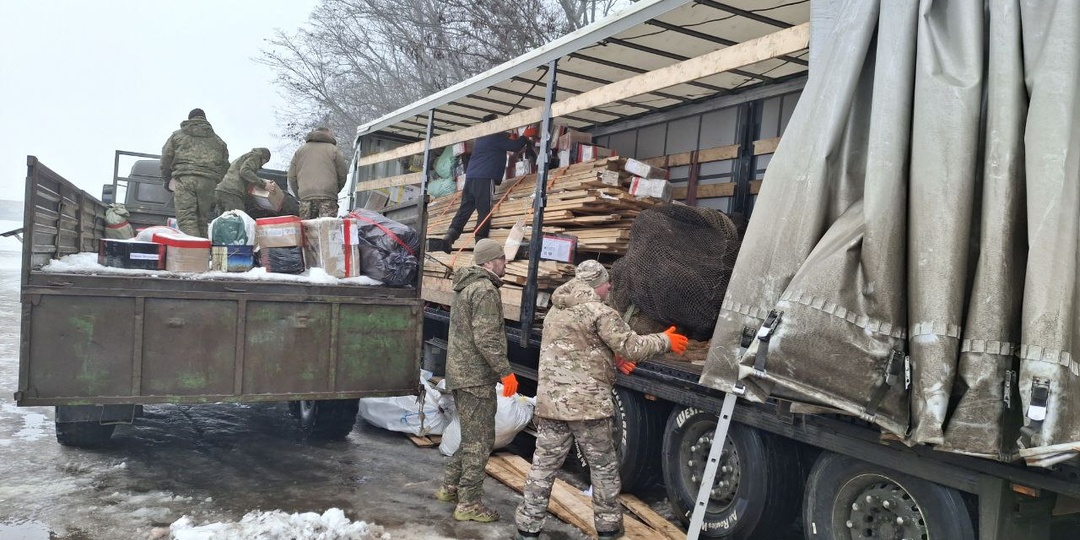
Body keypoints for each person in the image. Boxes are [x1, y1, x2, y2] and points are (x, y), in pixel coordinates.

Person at [514, 260, 688, 540]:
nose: (610, 288)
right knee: (604, 469)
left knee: (543, 468)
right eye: (608, 283)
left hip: (552, 405)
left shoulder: (556, 310)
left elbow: (578, 347)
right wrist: (665, 340)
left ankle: (527, 526)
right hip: (588, 407)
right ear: (598, 284)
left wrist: (610, 359)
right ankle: (608, 530)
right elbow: (632, 346)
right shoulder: (600, 312)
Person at [435, 238, 520, 523]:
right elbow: (486, 337)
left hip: (461, 373)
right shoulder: (485, 290)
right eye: (501, 259)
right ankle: (469, 503)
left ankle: (450, 487)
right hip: (475, 377)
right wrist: (505, 372)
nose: (505, 263)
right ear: (488, 263)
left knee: (472, 438)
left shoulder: (466, 286)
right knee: (480, 442)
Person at [431, 114, 531, 253]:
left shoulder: (482, 138)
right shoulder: (495, 137)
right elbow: (515, 146)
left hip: (471, 178)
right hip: (484, 179)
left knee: (464, 210)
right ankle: (480, 242)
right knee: (484, 210)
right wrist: (526, 136)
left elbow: (503, 145)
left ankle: (450, 236)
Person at [161, 108, 230, 237]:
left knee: (187, 220)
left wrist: (167, 179)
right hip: (208, 183)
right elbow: (225, 166)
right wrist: (216, 182)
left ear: (190, 119)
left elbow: (165, 159)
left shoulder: (177, 136)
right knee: (202, 221)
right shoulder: (218, 141)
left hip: (185, 180)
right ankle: (202, 254)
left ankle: (193, 255)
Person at [288, 126, 348, 219]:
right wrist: (334, 191)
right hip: (328, 197)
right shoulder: (334, 150)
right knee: (327, 229)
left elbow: (291, 177)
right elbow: (343, 174)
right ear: (327, 135)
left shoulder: (300, 151)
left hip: (306, 198)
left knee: (308, 230)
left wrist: (300, 194)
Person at [215, 148, 274, 214]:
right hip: (231, 191)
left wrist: (254, 202)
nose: (262, 164)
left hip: (220, 190)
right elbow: (245, 171)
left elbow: (246, 183)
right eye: (265, 162)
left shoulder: (244, 158)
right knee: (237, 218)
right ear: (263, 158)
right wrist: (264, 184)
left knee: (224, 220)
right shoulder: (255, 157)